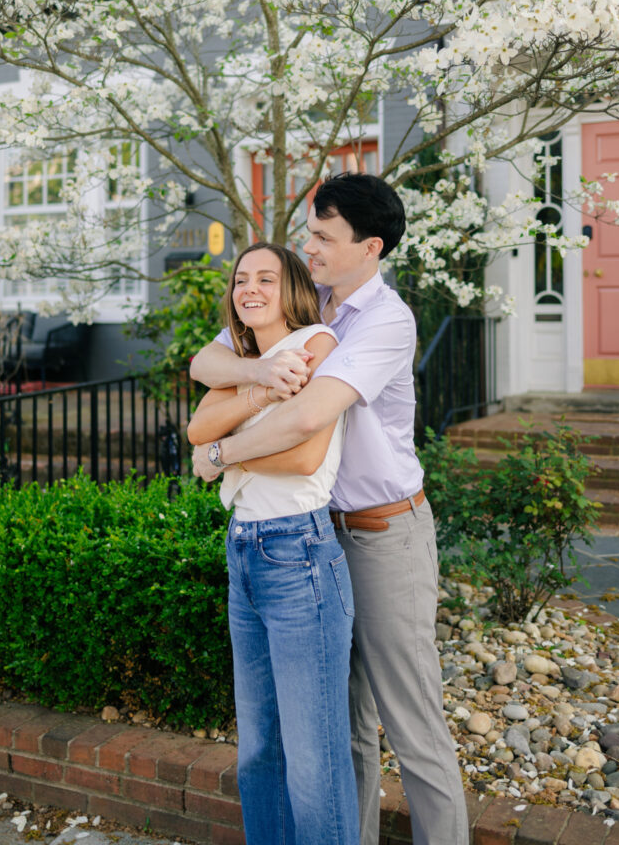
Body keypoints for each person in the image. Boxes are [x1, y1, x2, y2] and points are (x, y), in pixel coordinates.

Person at [192, 174, 468, 845]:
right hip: (308, 538)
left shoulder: (384, 319)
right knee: (338, 728)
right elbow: (208, 360)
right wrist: (256, 375)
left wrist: (222, 455)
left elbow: (309, 420)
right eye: (309, 231)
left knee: (410, 724)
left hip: (382, 532)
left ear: (368, 246)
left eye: (322, 236)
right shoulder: (304, 300)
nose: (306, 246)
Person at [187, 241, 360, 845]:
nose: (249, 288)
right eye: (240, 280)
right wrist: (258, 388)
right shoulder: (242, 356)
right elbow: (197, 426)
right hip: (243, 550)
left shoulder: (316, 346)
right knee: (259, 747)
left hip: (298, 555)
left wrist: (224, 457)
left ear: (292, 290)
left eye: (265, 277)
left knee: (315, 755)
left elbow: (305, 455)